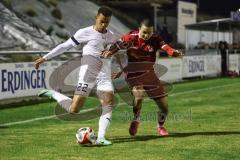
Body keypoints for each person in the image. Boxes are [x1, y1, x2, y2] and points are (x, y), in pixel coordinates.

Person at [34, 6, 116, 145]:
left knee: (108, 103)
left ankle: (101, 138)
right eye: (101, 21)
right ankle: (53, 94)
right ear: (96, 17)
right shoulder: (84, 32)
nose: (103, 24)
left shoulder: (112, 36)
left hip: (103, 73)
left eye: (106, 22)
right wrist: (45, 57)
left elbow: (112, 52)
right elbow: (65, 46)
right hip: (87, 72)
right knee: (74, 109)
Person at [101, 19, 183, 136]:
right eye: (144, 32)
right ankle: (136, 119)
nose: (146, 35)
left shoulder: (155, 38)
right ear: (139, 29)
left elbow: (165, 47)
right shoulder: (131, 37)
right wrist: (110, 51)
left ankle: (160, 126)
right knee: (139, 96)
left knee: (164, 107)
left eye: (149, 33)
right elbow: (118, 44)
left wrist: (172, 52)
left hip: (149, 74)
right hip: (133, 73)